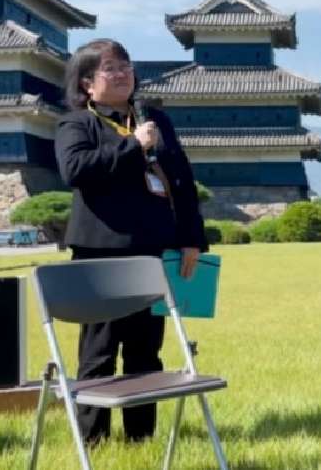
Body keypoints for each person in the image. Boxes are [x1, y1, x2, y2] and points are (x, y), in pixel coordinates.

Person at [54, 38, 207, 444]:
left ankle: (141, 437)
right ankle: (94, 440)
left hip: (153, 250)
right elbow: (76, 171)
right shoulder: (77, 123)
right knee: (99, 351)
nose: (122, 74)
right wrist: (133, 146)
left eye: (126, 65)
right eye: (110, 69)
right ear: (87, 83)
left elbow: (182, 181)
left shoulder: (155, 120)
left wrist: (192, 238)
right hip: (100, 253)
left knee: (145, 349)